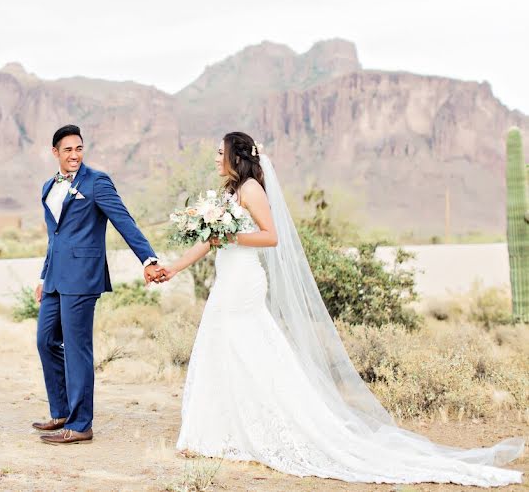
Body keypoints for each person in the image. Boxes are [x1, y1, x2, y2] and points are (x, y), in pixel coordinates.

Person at [159, 131, 523, 486]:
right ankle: (216, 430)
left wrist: (231, 235)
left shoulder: (252, 190)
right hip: (228, 279)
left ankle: (261, 425)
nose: (215, 159)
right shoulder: (230, 193)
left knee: (245, 347)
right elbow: (210, 241)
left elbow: (271, 236)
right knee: (221, 347)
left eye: (219, 153)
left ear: (236, 156)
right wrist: (173, 268)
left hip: (244, 282)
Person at [32, 124, 166, 445]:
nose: (75, 155)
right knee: (45, 340)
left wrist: (148, 259)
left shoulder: (96, 182)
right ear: (55, 153)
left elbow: (124, 220)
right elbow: (56, 238)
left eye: (79, 148)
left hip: (82, 278)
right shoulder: (48, 187)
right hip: (54, 278)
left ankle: (80, 425)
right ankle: (62, 412)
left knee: (77, 351)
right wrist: (42, 275)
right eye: (68, 150)